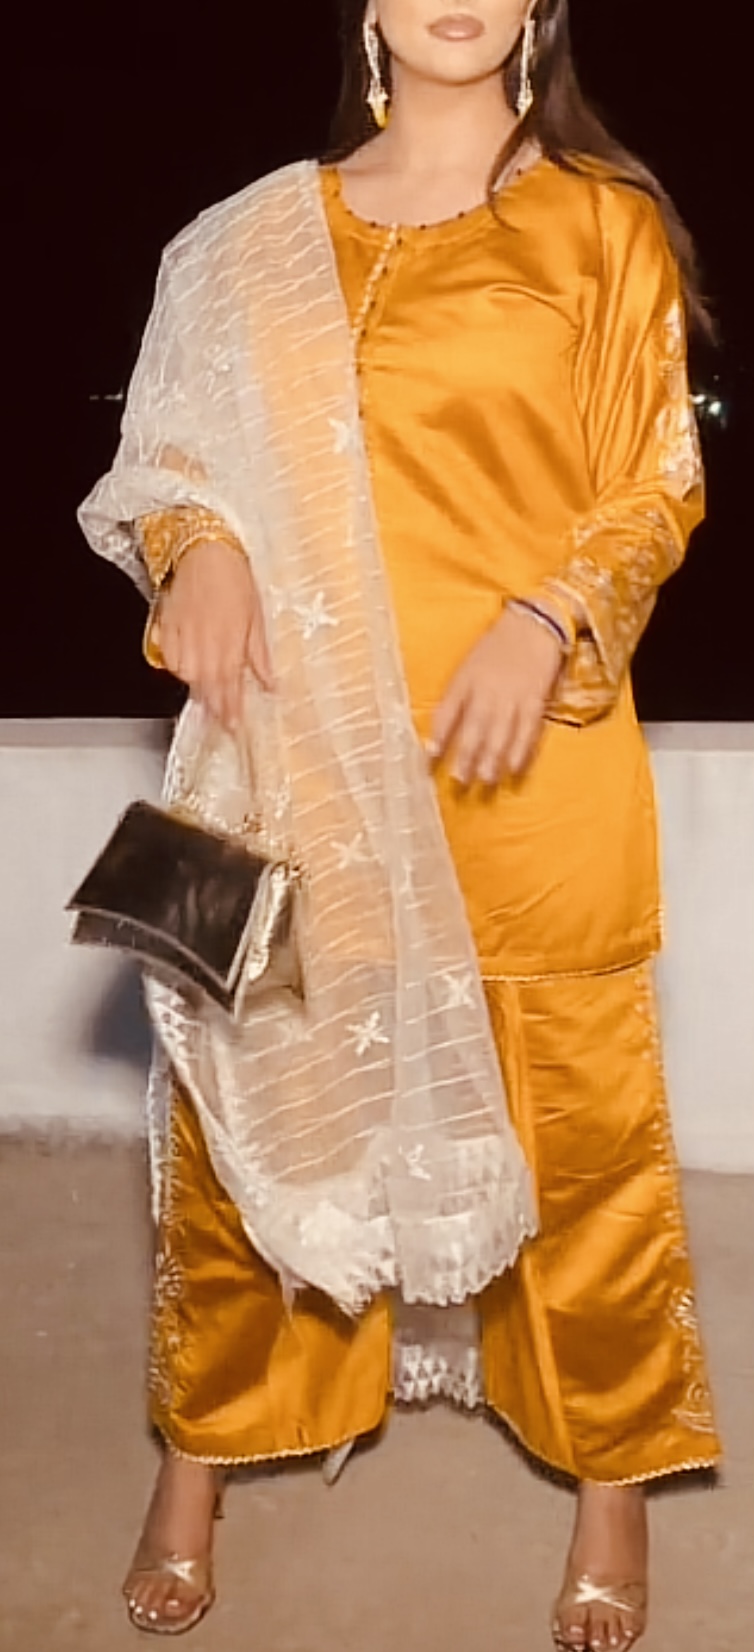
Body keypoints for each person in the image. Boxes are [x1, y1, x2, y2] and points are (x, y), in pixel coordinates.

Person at [79, 1, 722, 1646]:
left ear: (539, 9)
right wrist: (199, 549)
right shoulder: (248, 237)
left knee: (575, 1132)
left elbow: (653, 481)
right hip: (299, 760)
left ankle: (610, 1477)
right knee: (252, 1111)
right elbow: (175, 459)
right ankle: (199, 1456)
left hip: (521, 752)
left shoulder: (598, 223)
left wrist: (548, 615)